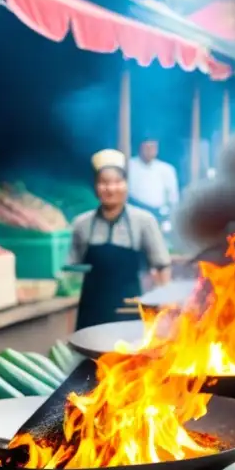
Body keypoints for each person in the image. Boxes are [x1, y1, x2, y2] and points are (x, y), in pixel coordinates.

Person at [70, 149, 172, 329]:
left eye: (117, 182)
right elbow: (73, 269)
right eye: (103, 183)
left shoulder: (144, 221)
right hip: (92, 313)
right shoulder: (81, 224)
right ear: (95, 186)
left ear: (126, 185)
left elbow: (161, 264)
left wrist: (164, 303)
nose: (110, 188)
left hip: (131, 311)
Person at [128, 136, 179, 219]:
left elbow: (173, 198)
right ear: (140, 148)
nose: (150, 151)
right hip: (134, 213)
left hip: (158, 215)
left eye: (153, 147)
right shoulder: (129, 166)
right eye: (147, 147)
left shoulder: (167, 169)